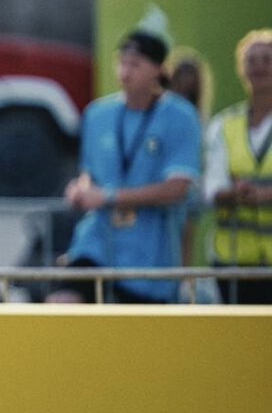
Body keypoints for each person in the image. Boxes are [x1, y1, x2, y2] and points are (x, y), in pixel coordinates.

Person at [49, 30, 201, 304]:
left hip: (148, 254)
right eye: (122, 62)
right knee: (62, 304)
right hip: (97, 242)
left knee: (137, 327)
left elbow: (177, 187)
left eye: (135, 64)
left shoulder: (181, 116)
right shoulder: (97, 114)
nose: (125, 71)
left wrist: (109, 197)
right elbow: (90, 175)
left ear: (157, 69)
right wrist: (80, 190)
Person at [202, 28, 272, 304]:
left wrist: (264, 195)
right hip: (234, 260)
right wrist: (234, 193)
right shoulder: (225, 124)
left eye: (267, 59)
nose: (259, 67)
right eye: (251, 61)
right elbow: (212, 187)